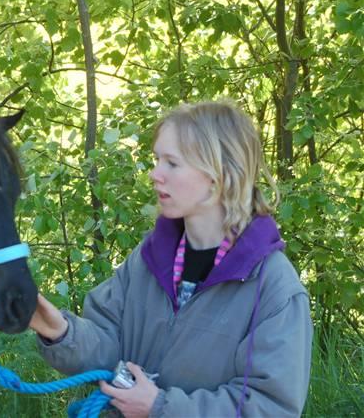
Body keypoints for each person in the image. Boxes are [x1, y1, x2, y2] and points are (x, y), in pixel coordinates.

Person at [29, 100, 313, 417]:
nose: (155, 174)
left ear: (219, 175)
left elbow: (270, 408)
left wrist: (159, 408)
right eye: (157, 159)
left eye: (172, 163)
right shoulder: (148, 260)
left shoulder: (273, 288)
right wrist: (59, 331)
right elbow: (108, 350)